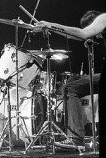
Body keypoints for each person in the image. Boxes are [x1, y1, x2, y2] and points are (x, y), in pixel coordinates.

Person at [34, 11, 106, 147]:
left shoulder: (104, 18)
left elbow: (81, 33)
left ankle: (75, 138)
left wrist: (50, 25)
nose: (97, 36)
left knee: (69, 88)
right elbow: (76, 35)